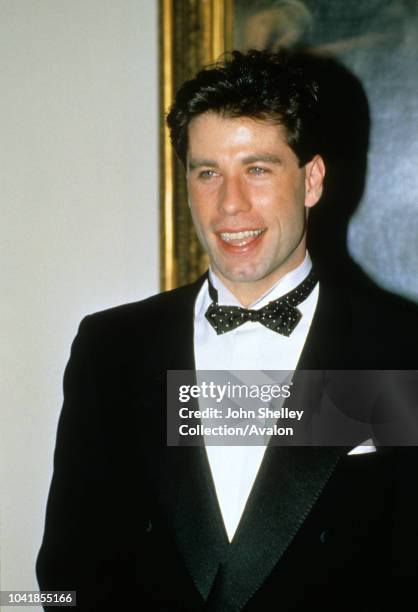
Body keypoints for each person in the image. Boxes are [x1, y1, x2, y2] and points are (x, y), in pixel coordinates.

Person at [37, 49, 418, 611]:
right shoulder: (111, 349)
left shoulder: (400, 347)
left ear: (311, 180)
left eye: (258, 169)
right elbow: (66, 574)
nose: (230, 205)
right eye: (208, 172)